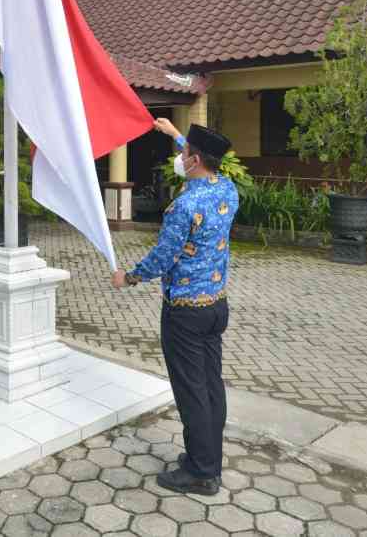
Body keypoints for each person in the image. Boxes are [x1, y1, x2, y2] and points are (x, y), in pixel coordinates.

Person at [112, 118, 237, 495]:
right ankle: (208, 458)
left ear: (195, 160)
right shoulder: (228, 189)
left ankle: (201, 472)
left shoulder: (182, 207)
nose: (180, 158)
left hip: (184, 313)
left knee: (191, 391)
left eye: (184, 154)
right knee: (211, 386)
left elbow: (163, 257)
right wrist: (174, 135)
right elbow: (209, 161)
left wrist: (129, 277)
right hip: (215, 307)